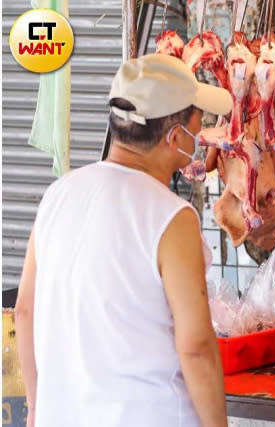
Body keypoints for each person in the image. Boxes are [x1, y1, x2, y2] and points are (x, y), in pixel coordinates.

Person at [14, 54, 233, 427]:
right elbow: (196, 347)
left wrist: (36, 408)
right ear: (175, 137)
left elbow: (24, 311)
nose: (201, 134)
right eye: (198, 120)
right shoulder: (171, 217)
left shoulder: (59, 194)